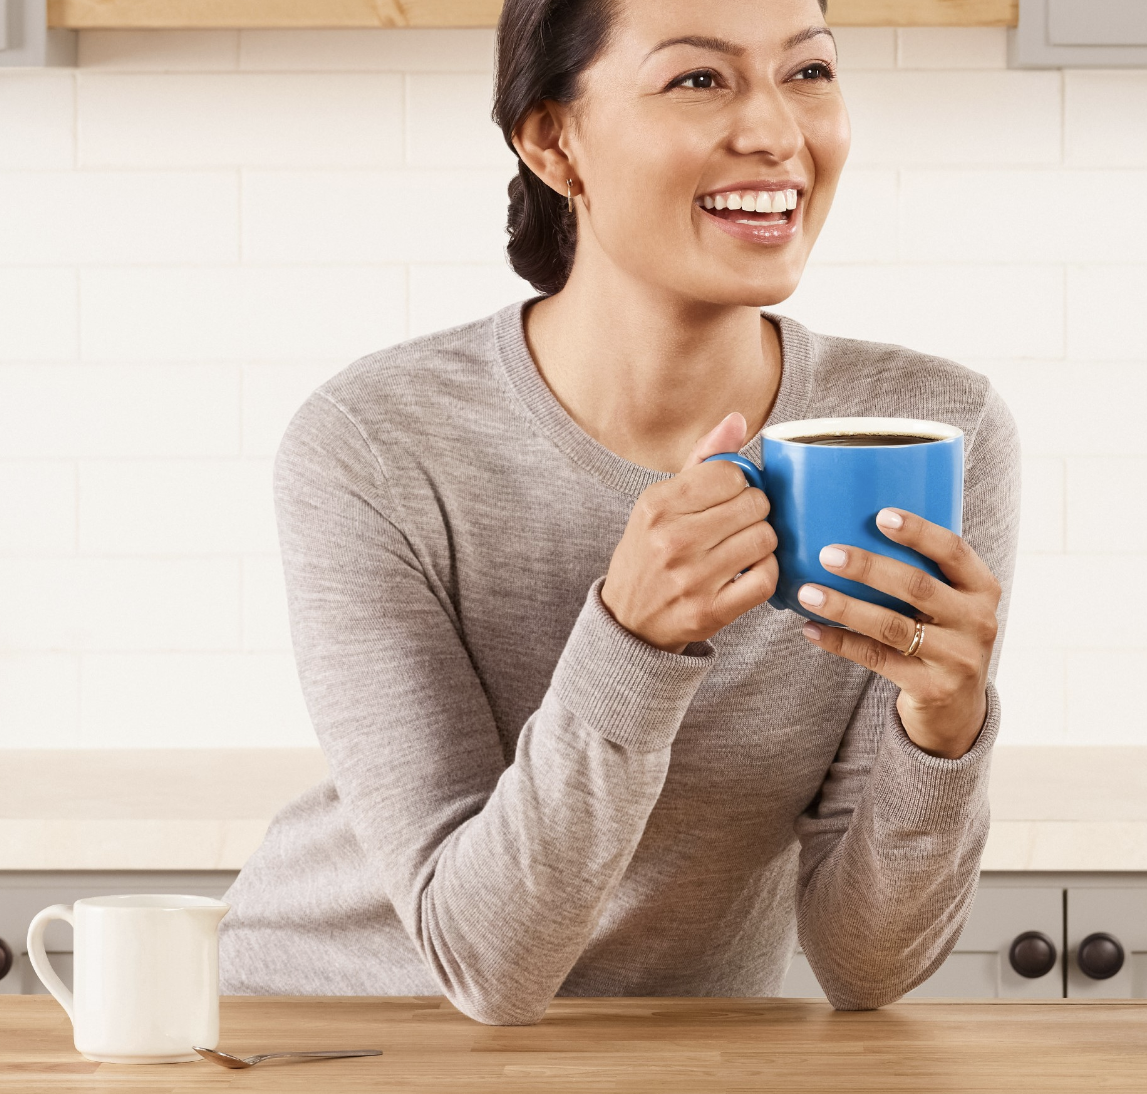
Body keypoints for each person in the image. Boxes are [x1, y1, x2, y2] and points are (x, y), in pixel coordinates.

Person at [218, 0, 1019, 1025]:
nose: (776, 131)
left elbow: (866, 965)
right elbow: (483, 959)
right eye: (699, 79)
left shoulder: (929, 432)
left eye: (809, 72)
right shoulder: (378, 441)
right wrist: (630, 643)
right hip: (326, 1033)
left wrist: (943, 727)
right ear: (553, 138)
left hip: (672, 1047)